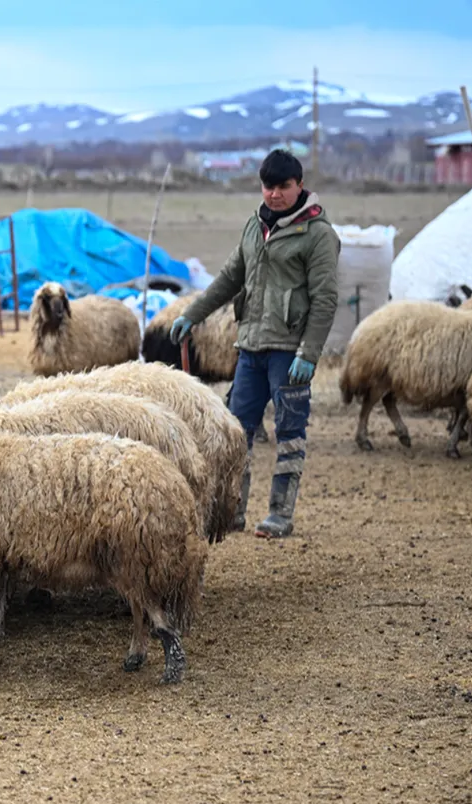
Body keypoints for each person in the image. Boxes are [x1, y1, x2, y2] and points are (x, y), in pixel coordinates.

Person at [169, 149, 339, 538]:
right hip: (250, 347)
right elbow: (230, 277)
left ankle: (280, 513)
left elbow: (325, 299)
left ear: (299, 186)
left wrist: (309, 353)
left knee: (289, 431)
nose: (274, 194)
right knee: (235, 432)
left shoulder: (317, 234)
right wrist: (192, 314)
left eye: (283, 187)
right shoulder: (255, 226)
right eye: (268, 187)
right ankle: (233, 509)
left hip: (289, 352)